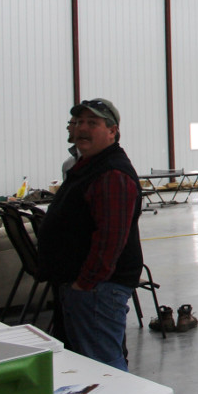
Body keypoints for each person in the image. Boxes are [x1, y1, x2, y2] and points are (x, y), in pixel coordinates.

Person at [37, 98, 143, 371]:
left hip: (97, 291)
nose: (82, 128)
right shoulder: (87, 165)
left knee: (103, 368)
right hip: (83, 287)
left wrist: (85, 284)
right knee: (87, 365)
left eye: (92, 123)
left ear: (112, 131)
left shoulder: (112, 174)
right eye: (79, 122)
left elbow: (110, 240)